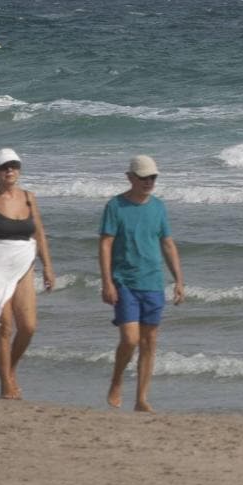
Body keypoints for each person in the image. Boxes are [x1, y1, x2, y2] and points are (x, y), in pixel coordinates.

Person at [99, 155, 185, 412]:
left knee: (150, 341)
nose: (149, 182)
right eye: (144, 177)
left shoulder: (158, 207)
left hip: (153, 282)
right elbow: (105, 244)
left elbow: (167, 243)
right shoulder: (115, 206)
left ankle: (141, 399)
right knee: (130, 338)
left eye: (153, 177)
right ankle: (116, 380)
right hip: (124, 281)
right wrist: (107, 282)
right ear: (130, 178)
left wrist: (179, 280)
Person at [0, 148, 55, 399]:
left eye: (14, 166)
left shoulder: (29, 197)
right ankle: (6, 384)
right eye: (4, 167)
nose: (10, 170)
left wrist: (47, 266)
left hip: (24, 264)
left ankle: (10, 370)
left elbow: (39, 234)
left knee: (28, 327)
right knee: (5, 326)